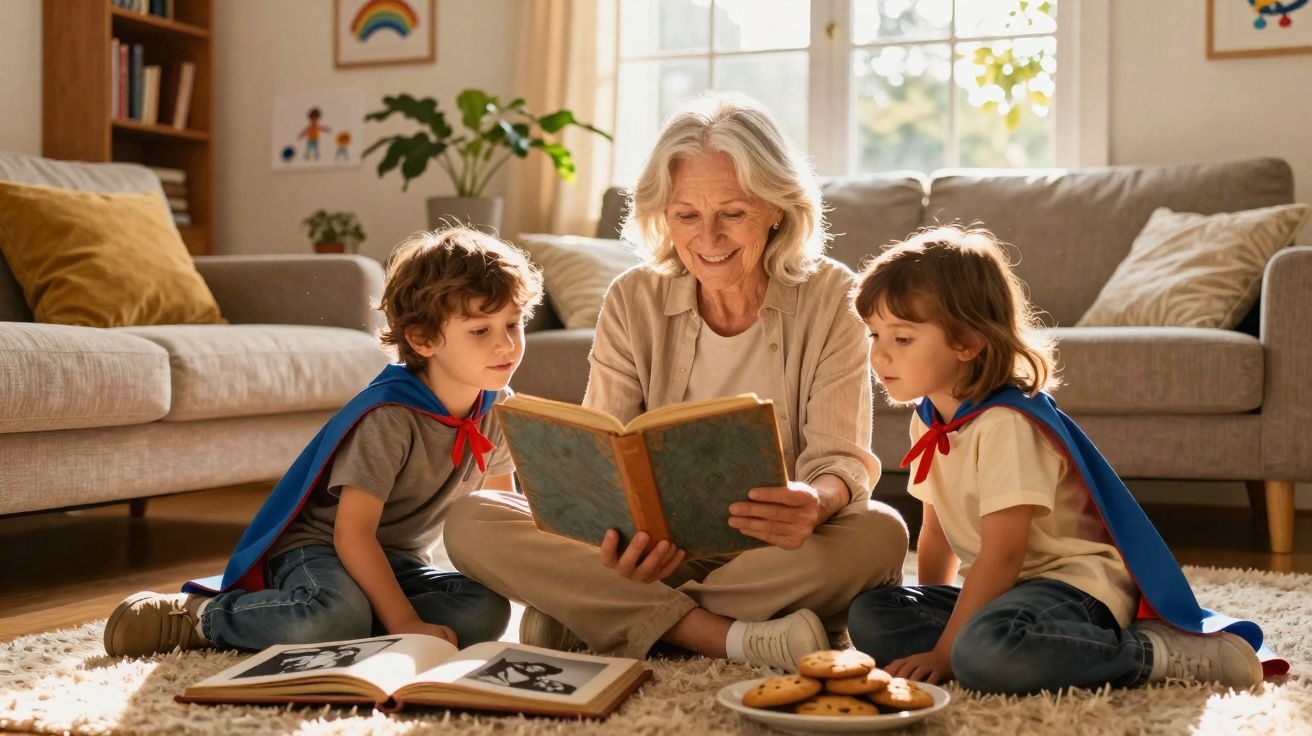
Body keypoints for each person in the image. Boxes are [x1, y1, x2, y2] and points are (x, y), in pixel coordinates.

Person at [444, 93, 908, 673]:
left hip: (770, 552)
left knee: (881, 534)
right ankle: (726, 636)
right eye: (686, 215)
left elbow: (840, 458)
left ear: (777, 208)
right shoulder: (632, 298)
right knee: (471, 519)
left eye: (732, 213)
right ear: (663, 217)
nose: (707, 238)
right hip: (649, 555)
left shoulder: (832, 297)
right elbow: (602, 456)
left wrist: (817, 502)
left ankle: (593, 614)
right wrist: (612, 535)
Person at [845, 225, 1282, 694]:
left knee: (984, 653)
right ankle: (996, 641)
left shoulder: (1005, 425)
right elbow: (935, 533)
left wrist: (948, 649)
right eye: (874, 334)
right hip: (1010, 591)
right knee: (870, 616)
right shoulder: (929, 419)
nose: (878, 356)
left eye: (902, 339)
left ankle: (1151, 654)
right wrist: (945, 619)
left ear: (968, 342)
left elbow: (1003, 553)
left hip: (1072, 586)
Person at [102, 228, 543, 657]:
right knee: (328, 617)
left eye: (514, 323)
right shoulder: (391, 418)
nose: (507, 344)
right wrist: (405, 622)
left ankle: (355, 617)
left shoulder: (497, 409)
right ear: (423, 339)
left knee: (484, 611)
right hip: (318, 549)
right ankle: (202, 615)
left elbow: (498, 519)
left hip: (397, 559)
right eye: (480, 330)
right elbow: (352, 536)